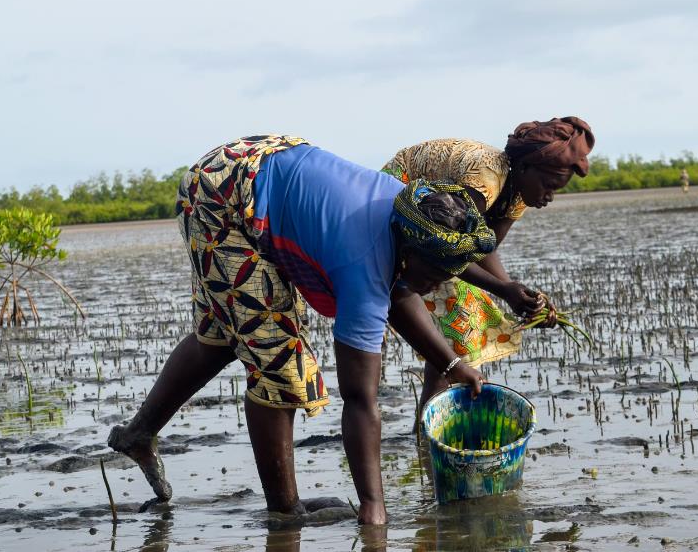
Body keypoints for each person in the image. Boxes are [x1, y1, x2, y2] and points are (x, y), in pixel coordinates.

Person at [108, 134, 496, 525]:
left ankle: (138, 435)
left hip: (255, 162)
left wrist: (450, 365)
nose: (435, 286)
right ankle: (284, 510)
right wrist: (373, 505)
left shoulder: (412, 211)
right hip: (222, 200)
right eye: (432, 276)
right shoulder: (363, 263)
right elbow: (360, 399)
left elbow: (401, 288)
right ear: (410, 253)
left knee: (224, 338)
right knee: (279, 363)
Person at [381, 117, 595, 410]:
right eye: (548, 185)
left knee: (456, 329)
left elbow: (482, 248)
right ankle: (429, 428)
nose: (550, 196)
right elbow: (452, 251)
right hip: (400, 197)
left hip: (445, 233)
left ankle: (429, 433)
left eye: (555, 190)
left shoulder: (517, 193)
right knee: (459, 322)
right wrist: (505, 291)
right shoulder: (485, 179)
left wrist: (515, 293)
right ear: (524, 168)